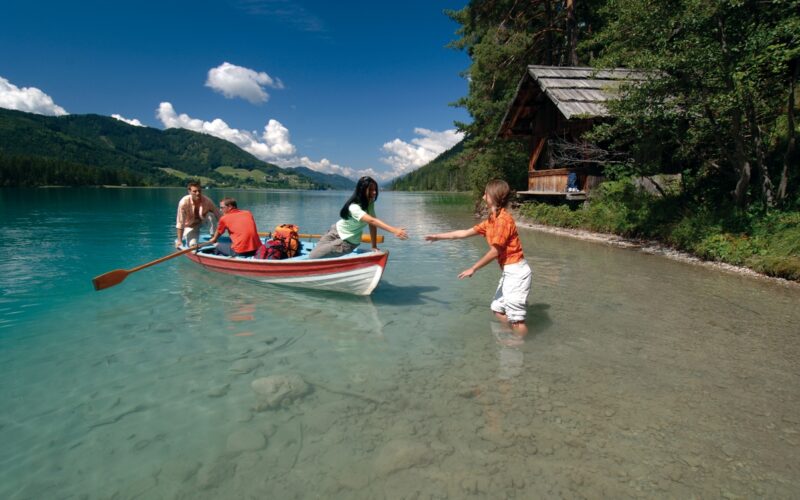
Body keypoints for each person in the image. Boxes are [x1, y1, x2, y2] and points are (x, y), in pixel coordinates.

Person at [425, 179, 532, 341]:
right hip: (509, 271)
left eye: (486, 194)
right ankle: (511, 334)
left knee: (517, 320)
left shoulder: (503, 221)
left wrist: (473, 268)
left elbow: (495, 251)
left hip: (517, 271)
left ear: (493, 196)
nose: (483, 197)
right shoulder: (491, 220)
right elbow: (463, 233)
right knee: (497, 309)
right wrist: (438, 236)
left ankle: (520, 346)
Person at [308, 176, 408, 258]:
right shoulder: (354, 207)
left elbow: (372, 223)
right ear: (362, 190)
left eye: (375, 189)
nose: (374, 192)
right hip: (334, 231)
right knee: (313, 254)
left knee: (313, 256)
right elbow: (372, 221)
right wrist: (394, 230)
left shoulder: (369, 203)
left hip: (347, 242)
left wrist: (374, 246)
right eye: (371, 190)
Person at [175, 181, 219, 248]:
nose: (198, 193)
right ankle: (192, 243)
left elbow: (219, 215)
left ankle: (213, 238)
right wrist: (179, 240)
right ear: (189, 192)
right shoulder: (183, 202)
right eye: (195, 191)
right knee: (192, 245)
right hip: (190, 225)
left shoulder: (207, 201)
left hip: (203, 221)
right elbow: (180, 222)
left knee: (211, 215)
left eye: (199, 191)